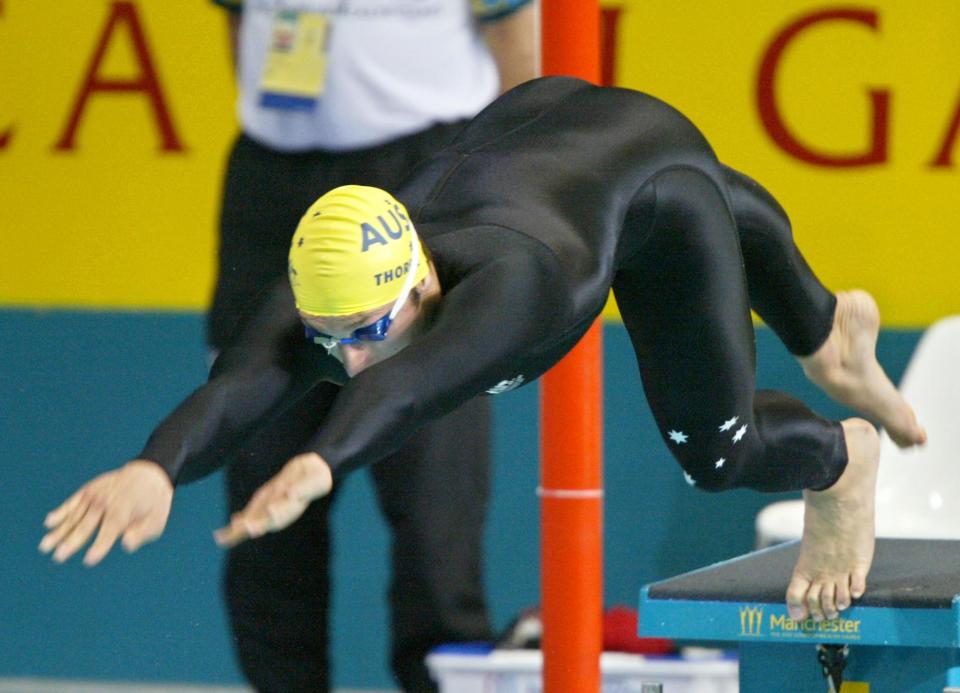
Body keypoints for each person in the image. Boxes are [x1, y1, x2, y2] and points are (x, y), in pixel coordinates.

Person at [41, 75, 926, 645]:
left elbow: (412, 386)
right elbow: (238, 389)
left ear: (422, 288)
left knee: (719, 456)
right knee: (654, 173)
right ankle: (826, 331)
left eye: (365, 331)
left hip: (647, 186)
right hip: (552, 133)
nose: (347, 357)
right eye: (327, 335)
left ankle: (844, 454)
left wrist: (318, 460)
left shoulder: (513, 286)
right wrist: (155, 467)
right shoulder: (331, 303)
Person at [203, 0, 535, 690]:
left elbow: (519, 53)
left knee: (436, 507)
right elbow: (240, 27)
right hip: (274, 189)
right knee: (262, 500)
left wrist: (501, 201)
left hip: (424, 175)